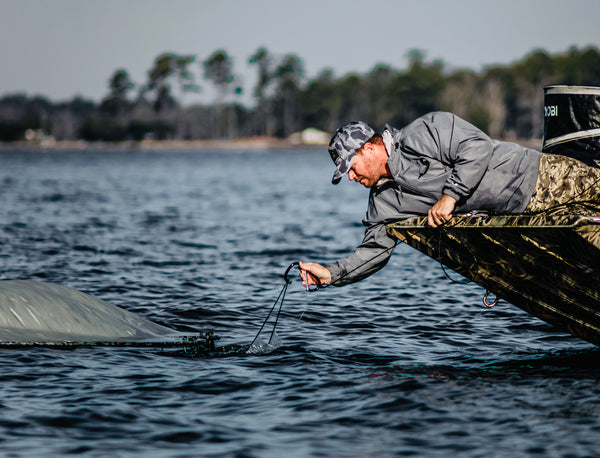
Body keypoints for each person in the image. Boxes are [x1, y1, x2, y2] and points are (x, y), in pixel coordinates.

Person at [299, 111, 600, 288]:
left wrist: (449, 197)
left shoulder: (426, 130)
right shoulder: (383, 201)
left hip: (543, 178)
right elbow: (375, 250)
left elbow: (478, 148)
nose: (351, 178)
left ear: (369, 149)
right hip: (524, 216)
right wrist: (332, 274)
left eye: (350, 168)